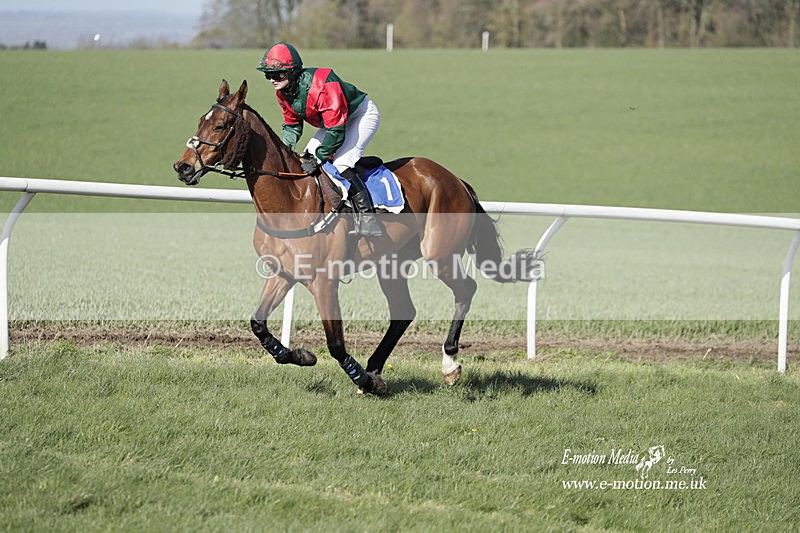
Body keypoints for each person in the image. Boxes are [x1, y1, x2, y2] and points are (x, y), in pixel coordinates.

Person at [257, 42, 382, 237]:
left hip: (360, 115)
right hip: (333, 122)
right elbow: (292, 124)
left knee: (341, 163)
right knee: (304, 159)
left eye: (277, 74)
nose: (272, 79)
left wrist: (319, 158)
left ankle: (368, 219)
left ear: (292, 72)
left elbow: (337, 130)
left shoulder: (323, 85)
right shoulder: (283, 93)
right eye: (268, 75)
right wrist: (285, 149)